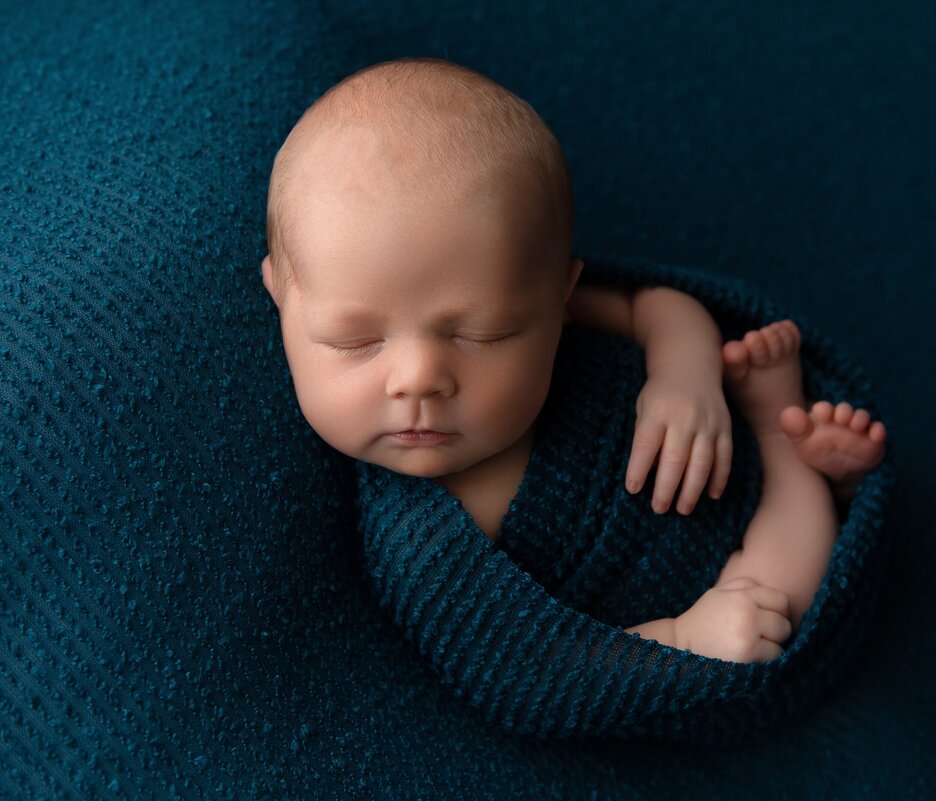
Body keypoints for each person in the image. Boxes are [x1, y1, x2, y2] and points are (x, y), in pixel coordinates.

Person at [261, 58, 886, 664]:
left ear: (557, 295)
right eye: (355, 341)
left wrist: (686, 377)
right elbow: (529, 663)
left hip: (712, 424)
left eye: (485, 333)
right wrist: (680, 638)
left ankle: (772, 423)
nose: (418, 378)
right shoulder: (423, 549)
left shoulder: (558, 304)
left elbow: (656, 305)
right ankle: (788, 446)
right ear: (281, 297)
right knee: (780, 598)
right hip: (720, 580)